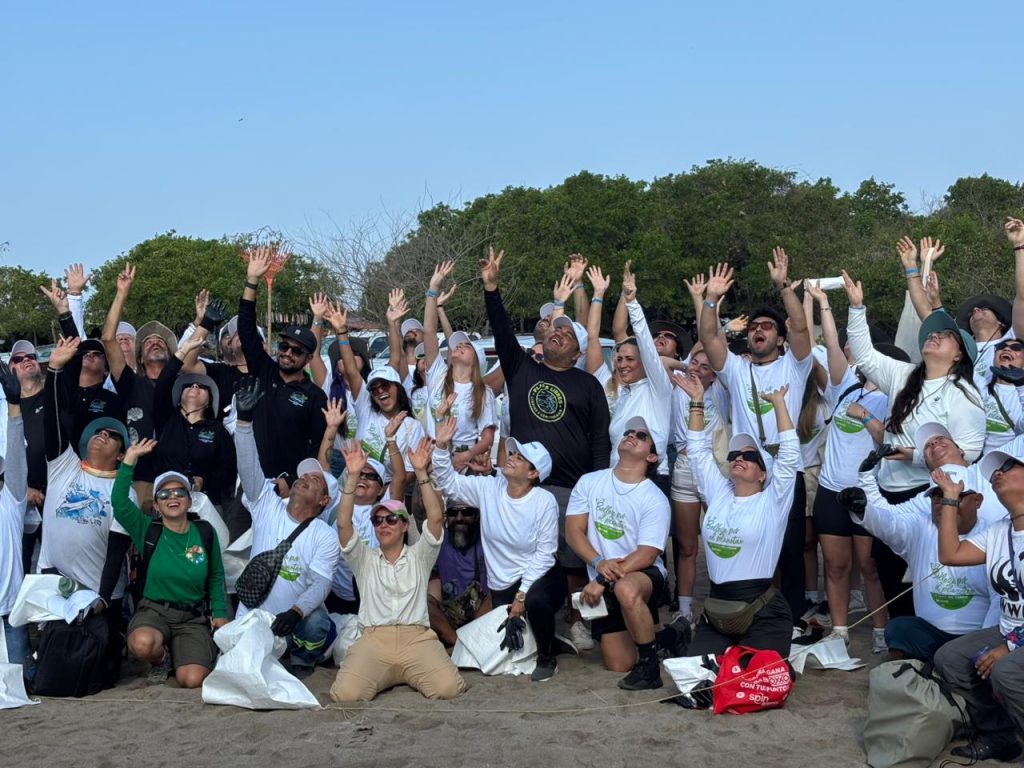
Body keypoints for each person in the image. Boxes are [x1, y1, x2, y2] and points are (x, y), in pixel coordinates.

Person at [482, 246, 611, 651]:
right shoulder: (523, 370)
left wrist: (595, 488)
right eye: (555, 329)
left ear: (577, 351)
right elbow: (502, 332)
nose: (558, 333)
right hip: (525, 486)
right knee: (528, 555)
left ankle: (575, 620)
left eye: (568, 334)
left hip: (572, 488)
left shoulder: (588, 385)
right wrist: (491, 289)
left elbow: (600, 440)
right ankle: (530, 619)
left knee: (571, 561)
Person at [842, 269, 986, 617]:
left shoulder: (964, 395)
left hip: (927, 495)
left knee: (922, 572)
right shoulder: (903, 374)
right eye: (931, 333)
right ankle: (900, 638)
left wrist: (910, 455)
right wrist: (857, 308)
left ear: (959, 355)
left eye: (945, 336)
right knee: (886, 567)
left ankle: (926, 635)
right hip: (887, 488)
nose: (933, 336)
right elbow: (864, 355)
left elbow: (968, 452)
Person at [697, 253, 814, 629]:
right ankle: (741, 614)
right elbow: (709, 337)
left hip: (785, 469)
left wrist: (784, 287)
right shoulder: (737, 368)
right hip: (747, 470)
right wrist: (710, 299)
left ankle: (791, 620)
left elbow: (801, 328)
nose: (758, 330)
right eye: (754, 327)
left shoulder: (794, 365)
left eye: (767, 327)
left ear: (779, 338)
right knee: (744, 545)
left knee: (790, 549)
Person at [330, 438, 467, 702]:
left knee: (448, 689)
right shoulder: (364, 559)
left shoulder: (419, 556)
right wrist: (352, 477)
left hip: (416, 639)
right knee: (345, 695)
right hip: (373, 640)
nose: (384, 524)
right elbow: (344, 525)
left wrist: (421, 472)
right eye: (378, 520)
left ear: (405, 526)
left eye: (392, 519)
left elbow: (436, 518)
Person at [676, 372, 799, 661]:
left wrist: (779, 404)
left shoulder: (773, 500)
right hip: (718, 608)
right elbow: (698, 452)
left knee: (750, 677)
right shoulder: (718, 493)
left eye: (750, 456)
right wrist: (697, 401)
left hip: (762, 610)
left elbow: (789, 456)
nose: (739, 458)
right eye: (733, 456)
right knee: (697, 678)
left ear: (763, 473)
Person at [432, 417, 565, 681]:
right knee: (501, 649)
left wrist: (522, 596)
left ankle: (547, 657)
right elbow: (448, 483)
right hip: (502, 584)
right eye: (512, 453)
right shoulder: (489, 487)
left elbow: (545, 555)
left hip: (541, 577)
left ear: (533, 474)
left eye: (520, 458)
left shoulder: (545, 501)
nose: (511, 457)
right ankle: (547, 637)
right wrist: (441, 446)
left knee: (536, 602)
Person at [38, 336, 134, 687]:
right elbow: (53, 421)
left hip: (99, 594)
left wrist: (103, 599)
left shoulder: (122, 490)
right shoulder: (63, 466)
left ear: (122, 453)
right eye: (97, 431)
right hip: (56, 583)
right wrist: (54, 370)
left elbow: (117, 552)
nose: (102, 435)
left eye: (112, 435)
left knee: (100, 673)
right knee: (54, 670)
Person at [805, 280, 893, 650]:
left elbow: (890, 442)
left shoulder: (892, 396)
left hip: (867, 491)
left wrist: (867, 417)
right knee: (835, 566)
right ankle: (840, 631)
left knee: (870, 567)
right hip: (831, 489)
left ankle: (881, 631)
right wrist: (822, 303)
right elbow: (827, 344)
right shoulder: (845, 388)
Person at [233, 378, 340, 678]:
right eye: (303, 475)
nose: (304, 478)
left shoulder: (324, 535)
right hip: (253, 616)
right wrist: (244, 422)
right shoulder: (266, 504)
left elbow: (320, 584)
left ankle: (302, 658)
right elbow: (249, 467)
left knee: (317, 623)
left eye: (314, 480)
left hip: (292, 622)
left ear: (324, 500)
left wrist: (296, 613)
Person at [845, 454, 995, 662]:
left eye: (954, 496)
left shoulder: (993, 534)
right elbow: (889, 524)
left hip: (974, 638)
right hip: (930, 634)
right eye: (938, 496)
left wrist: (985, 645)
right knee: (898, 629)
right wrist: (863, 509)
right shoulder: (920, 526)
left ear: (977, 501)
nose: (946, 504)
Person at [112, 438, 229, 687]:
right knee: (142, 644)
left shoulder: (205, 531)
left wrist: (220, 614)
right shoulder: (147, 529)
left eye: (179, 492)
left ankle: (182, 653)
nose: (172, 497)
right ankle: (162, 659)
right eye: (164, 494)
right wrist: (129, 460)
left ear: (189, 500)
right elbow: (120, 504)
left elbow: (216, 575)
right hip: (154, 611)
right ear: (156, 504)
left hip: (192, 616)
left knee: (192, 680)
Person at [566, 416, 672, 690]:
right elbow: (573, 531)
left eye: (642, 435)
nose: (632, 435)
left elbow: (648, 554)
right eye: (629, 432)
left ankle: (650, 668)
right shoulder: (590, 481)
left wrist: (603, 578)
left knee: (625, 589)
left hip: (641, 574)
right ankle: (670, 637)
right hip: (603, 574)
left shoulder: (655, 498)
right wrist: (598, 562)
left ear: (651, 456)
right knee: (619, 663)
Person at [934, 451, 1024, 763]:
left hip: (1015, 639)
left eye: (1009, 466)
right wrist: (950, 498)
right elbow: (950, 554)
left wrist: (1011, 646)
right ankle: (999, 736)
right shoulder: (1000, 531)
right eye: (994, 472)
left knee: (1006, 671)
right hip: (1010, 631)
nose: (998, 472)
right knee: (951, 658)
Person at [238, 248, 329, 478]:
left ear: (308, 359)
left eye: (297, 351)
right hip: (253, 481)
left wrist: (294, 482)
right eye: (284, 346)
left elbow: (317, 449)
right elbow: (246, 330)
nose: (287, 353)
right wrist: (252, 280)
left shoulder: (316, 397)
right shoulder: (263, 370)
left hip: (290, 487)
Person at [102, 263, 179, 511]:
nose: (155, 342)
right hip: (140, 479)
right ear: (141, 358)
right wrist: (122, 293)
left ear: (171, 356)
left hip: (178, 478)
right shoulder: (130, 384)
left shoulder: (184, 386)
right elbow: (108, 339)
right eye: (148, 342)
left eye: (161, 342)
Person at [422, 261, 496, 472]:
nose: (460, 346)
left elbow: (488, 436)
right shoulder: (438, 374)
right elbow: (429, 332)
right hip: (431, 457)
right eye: (458, 344)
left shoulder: (483, 392)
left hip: (462, 462)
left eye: (467, 345)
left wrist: (466, 456)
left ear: (477, 361)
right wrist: (433, 289)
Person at [150, 337, 237, 508]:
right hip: (166, 501)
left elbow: (229, 470)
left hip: (205, 504)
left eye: (202, 386)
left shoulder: (218, 430)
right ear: (179, 396)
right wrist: (183, 351)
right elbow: (163, 382)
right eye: (189, 385)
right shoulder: (166, 419)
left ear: (209, 401)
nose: (195, 387)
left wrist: (204, 481)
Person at [7, 340, 48, 574]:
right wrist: (23, 490)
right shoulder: (4, 408)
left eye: (31, 356)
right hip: (17, 502)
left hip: (55, 497)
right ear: (9, 370)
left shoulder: (54, 395)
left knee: (57, 571)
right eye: (18, 359)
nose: (26, 361)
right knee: (17, 566)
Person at [428, 500, 490, 649]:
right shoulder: (438, 542)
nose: (459, 518)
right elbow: (432, 596)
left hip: (485, 618)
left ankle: (466, 645)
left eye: (467, 512)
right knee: (423, 602)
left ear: (477, 516)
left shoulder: (489, 541)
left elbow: (496, 593)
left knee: (500, 593)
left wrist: (471, 634)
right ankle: (459, 646)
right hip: (451, 621)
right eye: (453, 513)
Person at [0, 364, 29, 665]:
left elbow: (16, 453)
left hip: (10, 613)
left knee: (20, 682)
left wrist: (13, 404)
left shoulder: (10, 500)